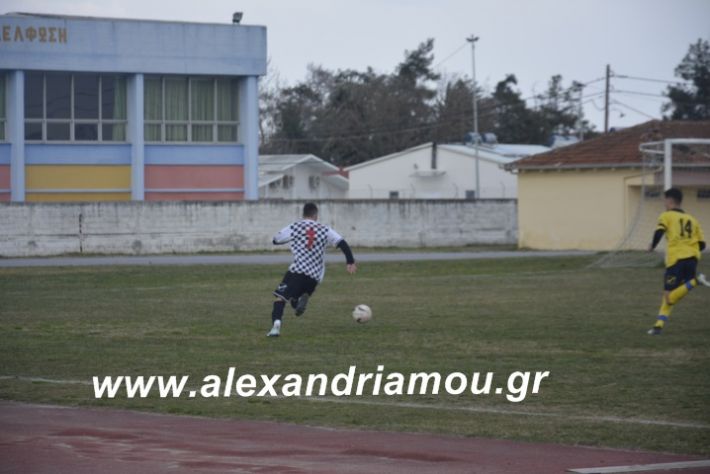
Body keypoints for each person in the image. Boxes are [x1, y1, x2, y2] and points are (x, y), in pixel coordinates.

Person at [267, 203, 357, 337]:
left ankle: (275, 327)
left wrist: (294, 239)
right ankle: (298, 300)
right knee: (295, 296)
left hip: (298, 271)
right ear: (316, 215)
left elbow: (276, 240)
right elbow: (342, 242)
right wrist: (350, 261)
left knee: (280, 298)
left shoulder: (296, 226)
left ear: (303, 214)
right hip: (315, 276)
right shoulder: (325, 229)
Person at [648, 188, 708, 335]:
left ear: (669, 200)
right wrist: (689, 248)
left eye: (664, 200)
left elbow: (659, 232)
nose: (664, 203)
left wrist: (652, 246)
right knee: (671, 294)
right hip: (692, 258)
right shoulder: (693, 219)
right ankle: (658, 325)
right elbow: (702, 244)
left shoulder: (667, 215)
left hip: (676, 260)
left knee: (668, 296)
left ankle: (696, 280)